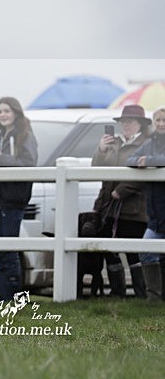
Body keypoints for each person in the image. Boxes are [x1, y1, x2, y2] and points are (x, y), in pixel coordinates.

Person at [0, 97, 38, 301]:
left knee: (9, 250)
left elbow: (28, 164)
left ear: (16, 112)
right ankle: (3, 296)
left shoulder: (25, 135)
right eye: (0, 112)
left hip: (13, 198)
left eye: (7, 111)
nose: (3, 115)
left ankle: (12, 298)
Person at [90, 104, 150, 298]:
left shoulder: (147, 144)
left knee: (133, 251)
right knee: (109, 248)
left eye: (130, 121)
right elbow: (95, 168)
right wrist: (100, 149)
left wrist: (121, 191)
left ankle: (142, 293)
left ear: (140, 124)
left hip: (132, 207)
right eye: (124, 121)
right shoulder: (113, 142)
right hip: (107, 206)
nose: (126, 125)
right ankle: (117, 292)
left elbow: (144, 174)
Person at [127, 106, 165, 301]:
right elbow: (130, 159)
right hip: (155, 215)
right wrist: (142, 161)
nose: (161, 124)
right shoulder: (149, 143)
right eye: (158, 120)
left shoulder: (149, 149)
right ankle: (154, 298)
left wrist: (148, 161)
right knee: (147, 251)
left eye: (164, 121)